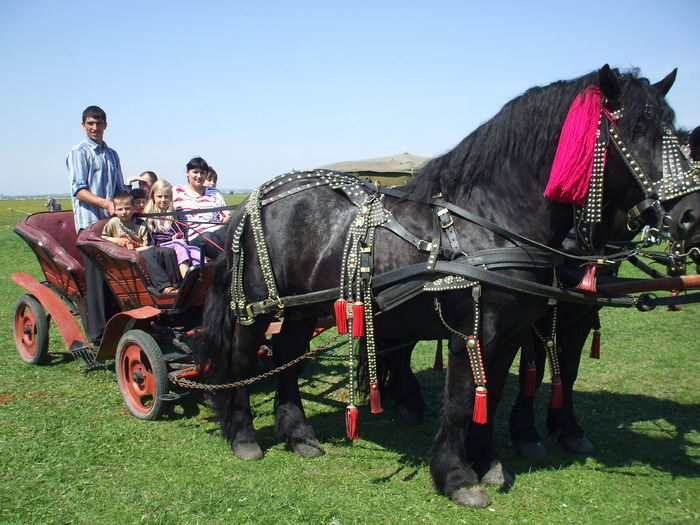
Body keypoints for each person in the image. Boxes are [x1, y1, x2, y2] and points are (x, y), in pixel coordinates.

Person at [67, 105, 127, 346]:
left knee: (118, 276)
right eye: (90, 123)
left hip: (112, 225)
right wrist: (105, 203)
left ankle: (119, 328)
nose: (94, 127)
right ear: (83, 125)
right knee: (97, 281)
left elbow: (120, 189)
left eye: (98, 123)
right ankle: (98, 337)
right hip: (90, 225)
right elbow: (79, 190)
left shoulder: (112, 154)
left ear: (106, 125)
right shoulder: (79, 152)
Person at [102, 191, 181, 293]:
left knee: (167, 251)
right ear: (115, 211)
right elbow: (103, 237)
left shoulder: (141, 224)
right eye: (120, 209)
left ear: (133, 208)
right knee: (146, 255)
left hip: (140, 249)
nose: (124, 212)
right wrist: (116, 240)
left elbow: (149, 245)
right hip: (124, 255)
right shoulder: (114, 222)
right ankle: (163, 287)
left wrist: (135, 249)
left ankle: (176, 285)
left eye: (127, 208)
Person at [173, 157, 230, 260]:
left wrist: (223, 227)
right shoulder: (176, 191)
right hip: (194, 237)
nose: (199, 176)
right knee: (207, 237)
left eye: (202, 173)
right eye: (195, 172)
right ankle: (231, 264)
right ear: (187, 172)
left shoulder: (214, 192)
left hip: (217, 233)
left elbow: (226, 216)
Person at [145, 180, 202, 277]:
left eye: (166, 196)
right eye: (159, 196)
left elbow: (182, 232)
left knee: (196, 250)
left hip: (175, 243)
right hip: (160, 246)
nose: (163, 200)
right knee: (179, 244)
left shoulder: (174, 215)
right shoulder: (149, 216)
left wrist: (180, 238)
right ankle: (186, 277)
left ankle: (203, 278)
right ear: (153, 197)